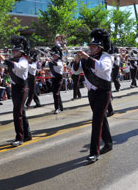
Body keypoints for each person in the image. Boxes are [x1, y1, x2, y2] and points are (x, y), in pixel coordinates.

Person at [73, 28, 113, 163]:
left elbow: (102, 67)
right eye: (90, 46)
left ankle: (94, 152)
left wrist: (86, 57)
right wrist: (77, 60)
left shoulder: (107, 57)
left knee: (96, 121)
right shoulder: (87, 58)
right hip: (91, 93)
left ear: (100, 47)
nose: (90, 48)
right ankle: (108, 143)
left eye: (93, 46)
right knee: (102, 118)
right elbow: (75, 72)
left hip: (103, 91)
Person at [0, 35, 31, 146]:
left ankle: (20, 137)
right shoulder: (14, 60)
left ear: (21, 51)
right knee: (21, 112)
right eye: (13, 50)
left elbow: (18, 67)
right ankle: (27, 135)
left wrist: (5, 60)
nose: (13, 51)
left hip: (22, 88)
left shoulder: (23, 60)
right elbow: (1, 65)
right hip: (15, 88)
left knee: (17, 113)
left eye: (15, 50)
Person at [48, 46, 64, 114]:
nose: (53, 56)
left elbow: (57, 64)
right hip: (54, 79)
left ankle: (57, 108)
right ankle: (61, 107)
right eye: (53, 55)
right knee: (57, 94)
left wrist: (51, 61)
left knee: (56, 94)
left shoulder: (59, 61)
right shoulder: (54, 61)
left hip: (58, 79)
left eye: (55, 55)